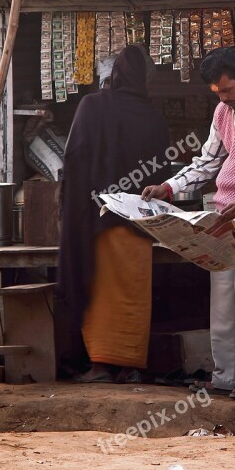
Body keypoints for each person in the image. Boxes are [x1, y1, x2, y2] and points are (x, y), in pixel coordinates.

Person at [142, 47, 235, 399]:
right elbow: (208, 161)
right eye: (216, 92)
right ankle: (226, 377)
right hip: (225, 215)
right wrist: (170, 186)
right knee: (223, 299)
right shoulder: (224, 111)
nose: (222, 97)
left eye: (226, 89)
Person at [56, 45, 170, 383]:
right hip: (139, 223)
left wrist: (72, 205)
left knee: (100, 289)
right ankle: (130, 365)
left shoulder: (91, 106)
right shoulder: (153, 117)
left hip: (96, 221)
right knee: (133, 293)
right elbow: (162, 170)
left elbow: (73, 158)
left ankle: (101, 366)